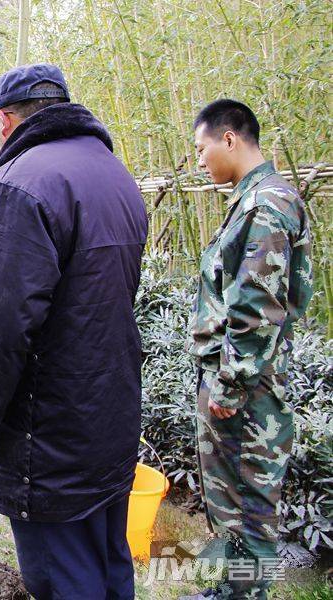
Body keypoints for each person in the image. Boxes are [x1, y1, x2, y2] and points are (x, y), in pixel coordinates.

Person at [0, 64, 148, 598]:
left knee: (62, 578)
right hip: (111, 411)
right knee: (108, 562)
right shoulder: (115, 174)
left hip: (50, 429)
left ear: (2, 121)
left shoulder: (22, 185)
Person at [181, 100, 313, 600]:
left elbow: (258, 308)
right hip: (238, 382)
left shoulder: (266, 206)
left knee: (251, 505)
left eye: (201, 148)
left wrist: (229, 388)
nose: (199, 160)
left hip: (246, 390)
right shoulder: (252, 200)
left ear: (229, 139)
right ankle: (233, 591)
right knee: (233, 502)